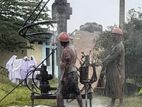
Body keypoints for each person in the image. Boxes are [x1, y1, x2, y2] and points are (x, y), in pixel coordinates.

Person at [56, 32, 83, 107]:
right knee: (77, 92)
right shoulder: (72, 47)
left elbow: (67, 64)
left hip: (69, 75)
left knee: (59, 93)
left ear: (62, 42)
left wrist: (64, 77)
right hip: (74, 73)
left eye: (60, 42)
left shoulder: (66, 50)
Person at [101, 27, 125, 107]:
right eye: (113, 35)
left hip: (117, 69)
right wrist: (104, 60)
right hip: (113, 68)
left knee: (117, 86)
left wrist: (104, 61)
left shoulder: (119, 46)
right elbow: (110, 55)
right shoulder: (115, 45)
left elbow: (112, 57)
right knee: (114, 86)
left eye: (114, 35)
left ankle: (120, 103)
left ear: (119, 36)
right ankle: (113, 103)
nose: (113, 37)